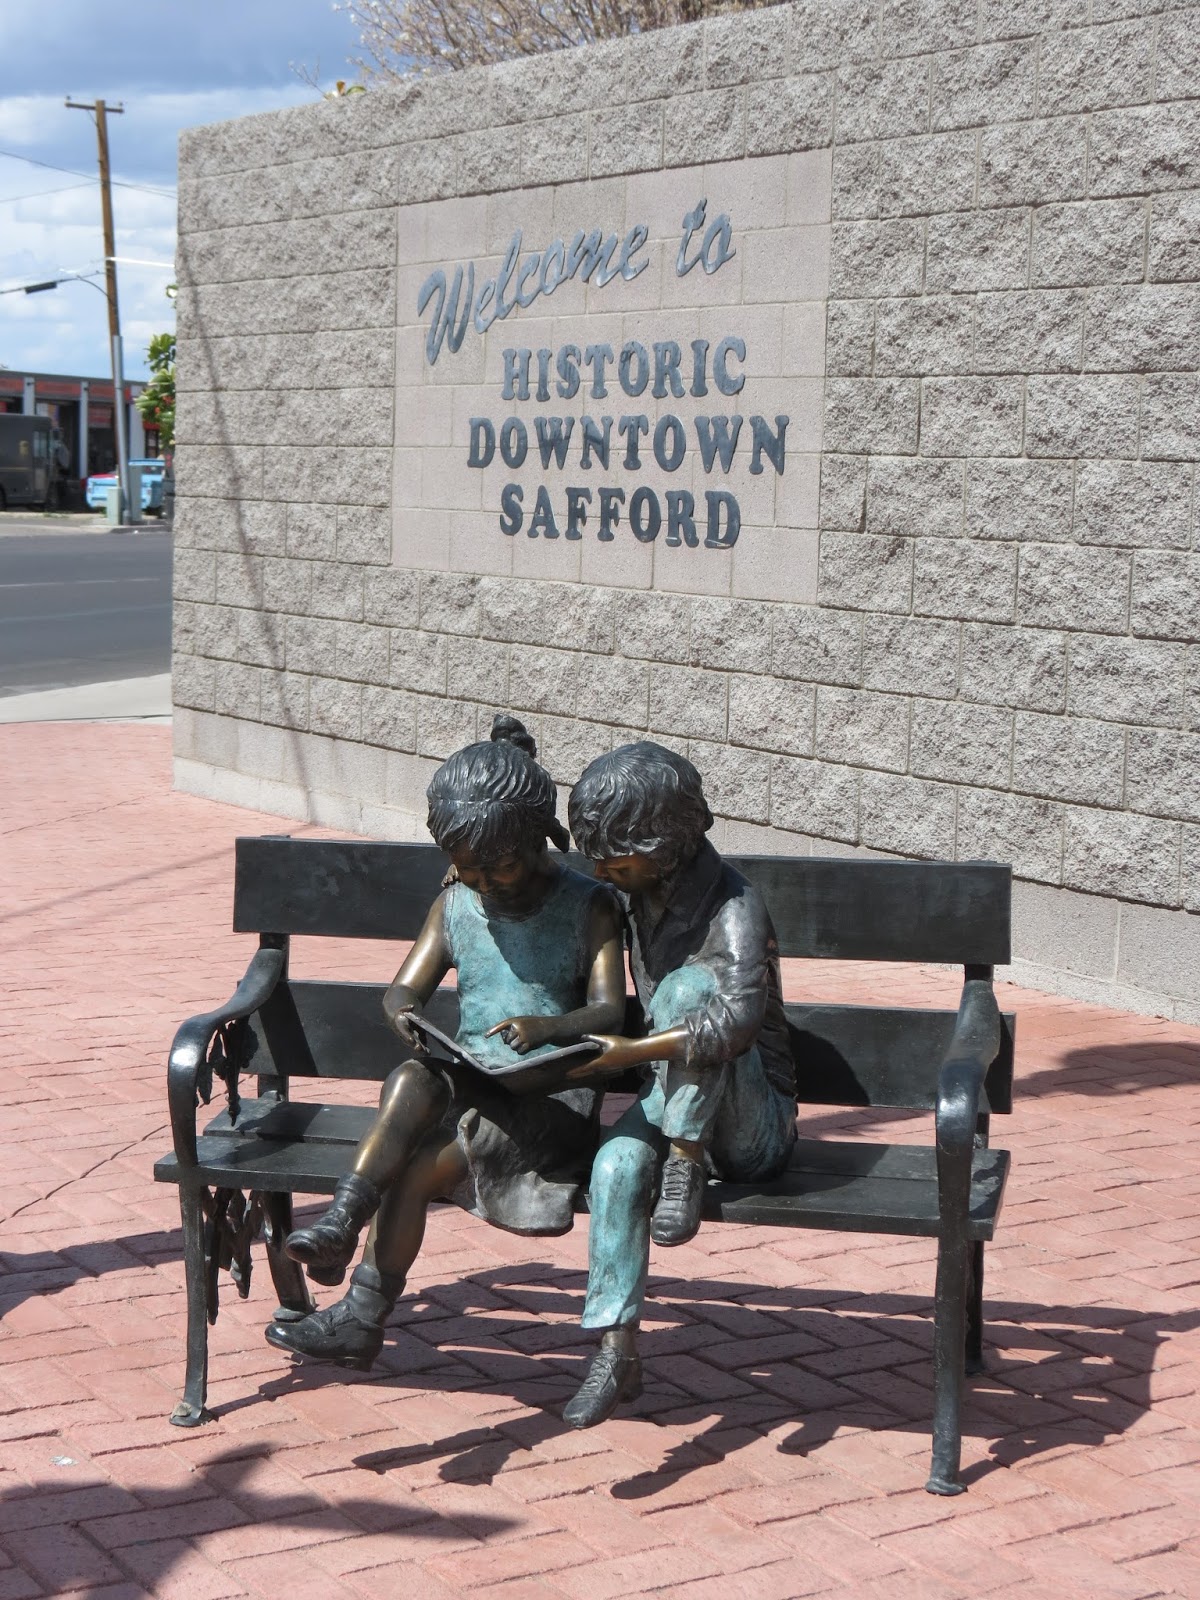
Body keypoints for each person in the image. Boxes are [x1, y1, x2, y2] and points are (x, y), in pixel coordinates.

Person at [265, 715, 625, 1370]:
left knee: (418, 1168)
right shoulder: (456, 904)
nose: (484, 882)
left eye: (501, 866)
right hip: (473, 1082)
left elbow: (609, 1010)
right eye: (467, 868)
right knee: (411, 1078)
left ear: (539, 837)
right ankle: (342, 1219)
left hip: (549, 1101)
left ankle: (361, 1318)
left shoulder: (588, 905)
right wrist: (404, 1014)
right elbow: (403, 989)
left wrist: (548, 1028)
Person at [561, 742, 797, 1428]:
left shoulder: (735, 907)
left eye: (615, 862)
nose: (602, 874)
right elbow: (551, 888)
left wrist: (633, 1051)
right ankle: (616, 1351)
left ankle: (686, 1163)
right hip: (673, 1094)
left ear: (663, 845)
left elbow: (736, 1024)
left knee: (693, 990)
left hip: (752, 1128)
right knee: (614, 1167)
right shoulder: (632, 893)